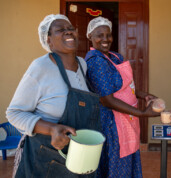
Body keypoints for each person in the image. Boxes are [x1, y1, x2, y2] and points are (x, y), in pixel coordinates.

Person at [6, 14, 101, 177]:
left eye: (70, 28)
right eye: (60, 30)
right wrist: (52, 129)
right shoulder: (41, 67)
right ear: (48, 39)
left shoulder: (82, 64)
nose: (68, 32)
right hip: (45, 160)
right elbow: (14, 113)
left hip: (79, 159)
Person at [85, 16, 160, 177]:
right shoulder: (95, 61)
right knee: (117, 165)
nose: (105, 39)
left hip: (126, 118)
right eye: (99, 35)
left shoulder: (114, 57)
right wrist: (142, 113)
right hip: (111, 123)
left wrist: (143, 95)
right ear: (90, 37)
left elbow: (126, 86)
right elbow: (107, 99)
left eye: (108, 34)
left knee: (128, 159)